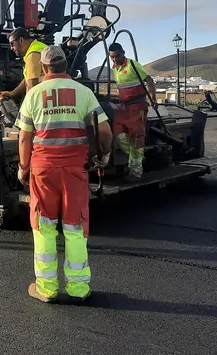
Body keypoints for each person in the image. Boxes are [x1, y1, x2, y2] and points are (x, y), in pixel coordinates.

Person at [16, 45, 113, 304]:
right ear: (66, 65)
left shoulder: (34, 94)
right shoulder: (84, 93)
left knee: (44, 228)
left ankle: (46, 289)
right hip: (75, 171)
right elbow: (104, 131)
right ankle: (78, 289)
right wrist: (103, 156)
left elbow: (25, 137)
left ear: (44, 68)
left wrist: (23, 168)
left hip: (43, 170)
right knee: (75, 227)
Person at [108, 42, 156, 181]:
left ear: (123, 52)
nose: (115, 59)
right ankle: (138, 158)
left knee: (136, 137)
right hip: (124, 107)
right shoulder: (114, 68)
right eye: (112, 57)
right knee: (118, 134)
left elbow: (149, 80)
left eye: (117, 56)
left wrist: (153, 98)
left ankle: (135, 172)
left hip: (137, 105)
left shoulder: (132, 65)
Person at [0, 28, 46, 104]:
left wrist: (25, 110)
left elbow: (31, 86)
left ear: (21, 40)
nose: (11, 48)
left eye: (12, 44)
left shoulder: (33, 55)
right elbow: (28, 79)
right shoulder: (38, 47)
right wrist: (13, 93)